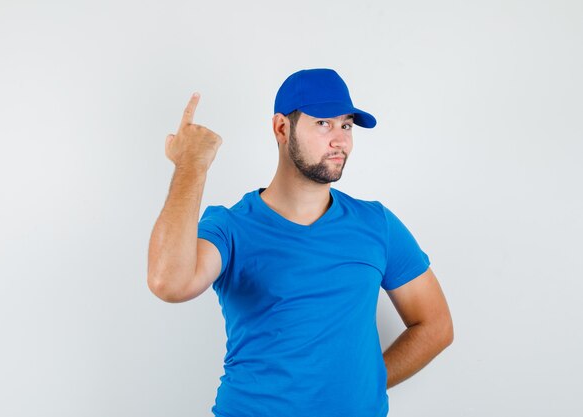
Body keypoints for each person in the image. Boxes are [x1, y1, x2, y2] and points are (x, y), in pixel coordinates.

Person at [147, 68, 453, 417]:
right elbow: (168, 283)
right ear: (281, 128)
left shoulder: (376, 224)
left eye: (347, 125)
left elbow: (435, 326)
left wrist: (365, 382)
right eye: (324, 123)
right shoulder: (230, 227)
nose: (341, 140)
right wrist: (192, 165)